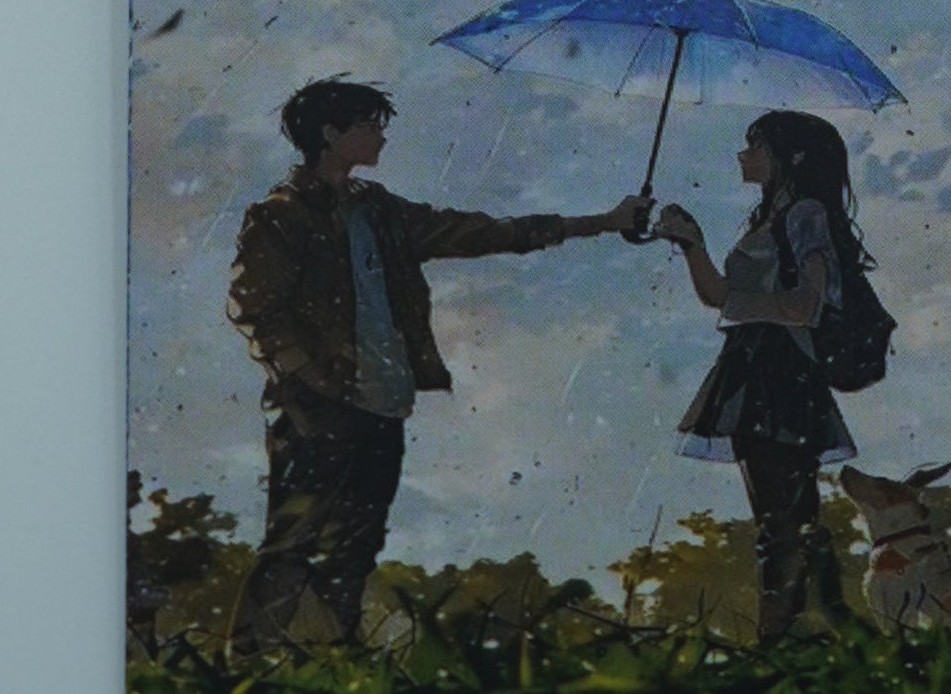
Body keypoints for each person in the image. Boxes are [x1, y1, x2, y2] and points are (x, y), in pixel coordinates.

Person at [226, 74, 648, 648]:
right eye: (368, 126)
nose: (381, 136)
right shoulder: (282, 213)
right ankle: (246, 660)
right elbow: (256, 309)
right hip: (315, 408)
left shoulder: (378, 209)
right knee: (292, 544)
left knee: (355, 548)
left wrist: (601, 222)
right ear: (329, 134)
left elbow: (479, 232)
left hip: (382, 403)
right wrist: (314, 378)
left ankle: (333, 660)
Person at [655, 107, 872, 646]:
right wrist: (692, 243)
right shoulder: (766, 219)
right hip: (754, 367)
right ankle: (816, 622)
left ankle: (784, 634)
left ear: (789, 157)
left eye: (756, 146)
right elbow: (717, 295)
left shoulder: (806, 215)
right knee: (782, 512)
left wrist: (743, 307)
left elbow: (804, 306)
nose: (743, 155)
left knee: (783, 516)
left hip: (782, 369)